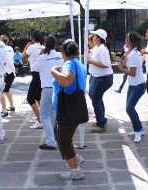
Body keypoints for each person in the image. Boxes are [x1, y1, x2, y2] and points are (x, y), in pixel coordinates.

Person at [51, 39, 87, 180]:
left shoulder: (69, 64)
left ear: (63, 52)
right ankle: (75, 158)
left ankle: (75, 171)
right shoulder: (78, 63)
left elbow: (67, 81)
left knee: (63, 141)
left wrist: (53, 71)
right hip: (71, 108)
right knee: (63, 136)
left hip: (68, 109)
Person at [33, 36, 64, 150]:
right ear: (55, 45)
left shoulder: (41, 57)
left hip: (47, 88)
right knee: (52, 113)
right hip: (58, 87)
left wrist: (40, 54)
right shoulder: (60, 56)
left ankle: (50, 141)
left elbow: (34, 68)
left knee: (44, 115)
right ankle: (51, 137)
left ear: (45, 45)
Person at [117, 32, 146, 143]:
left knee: (129, 109)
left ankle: (137, 131)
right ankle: (140, 129)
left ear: (131, 41)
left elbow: (132, 73)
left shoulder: (134, 54)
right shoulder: (131, 52)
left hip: (138, 85)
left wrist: (120, 68)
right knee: (130, 108)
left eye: (127, 38)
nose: (125, 40)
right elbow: (126, 63)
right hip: (133, 85)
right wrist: (121, 61)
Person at [87, 29, 113, 133]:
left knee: (96, 99)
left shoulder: (102, 49)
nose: (92, 37)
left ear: (98, 38)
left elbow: (105, 64)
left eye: (94, 35)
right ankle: (101, 120)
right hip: (96, 76)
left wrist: (91, 61)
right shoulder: (97, 48)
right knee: (94, 96)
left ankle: (101, 124)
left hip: (103, 78)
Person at [22, 30, 44, 129]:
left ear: (33, 38)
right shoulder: (44, 47)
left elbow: (23, 57)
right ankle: (44, 118)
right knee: (38, 97)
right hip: (43, 75)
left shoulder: (31, 47)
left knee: (30, 98)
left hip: (36, 75)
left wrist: (26, 46)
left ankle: (40, 120)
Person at [0, 35, 16, 117]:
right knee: (6, 90)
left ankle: (4, 111)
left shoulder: (1, 49)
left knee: (1, 91)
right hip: (12, 72)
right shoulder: (10, 48)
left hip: (6, 73)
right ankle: (12, 106)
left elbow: (3, 62)